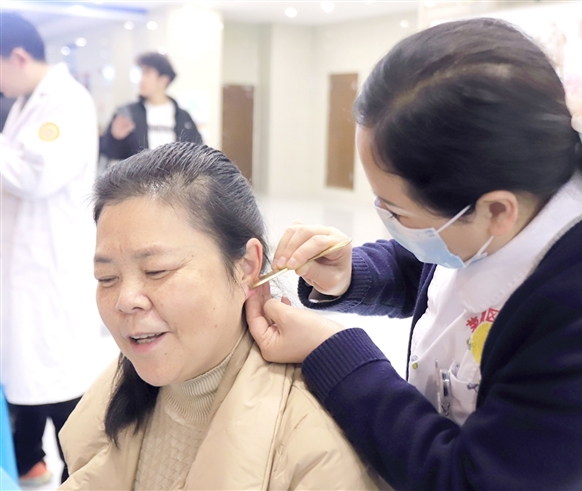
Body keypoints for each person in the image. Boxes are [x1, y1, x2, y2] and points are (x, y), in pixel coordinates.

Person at [246, 18, 582, 490]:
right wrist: (350, 274)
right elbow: (434, 263)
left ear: (496, 210)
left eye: (396, 211)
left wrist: (336, 354)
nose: (387, 220)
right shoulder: (511, 187)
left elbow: (469, 479)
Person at [58, 142, 380, 490]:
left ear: (247, 266)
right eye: (107, 278)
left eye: (156, 270)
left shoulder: (310, 445)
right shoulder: (110, 399)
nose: (125, 300)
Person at [0, 13, 102, 487]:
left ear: (18, 57)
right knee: (26, 371)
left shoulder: (66, 102)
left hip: (49, 268)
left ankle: (81, 474)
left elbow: (33, 175)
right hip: (25, 266)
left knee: (59, 381)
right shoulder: (27, 102)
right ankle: (31, 465)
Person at [99, 52, 201, 161]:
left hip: (175, 172)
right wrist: (115, 138)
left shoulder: (183, 117)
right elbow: (108, 153)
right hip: (139, 172)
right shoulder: (127, 113)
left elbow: (198, 154)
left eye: (147, 73)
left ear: (164, 80)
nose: (141, 79)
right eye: (141, 73)